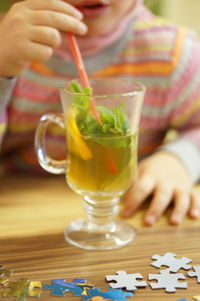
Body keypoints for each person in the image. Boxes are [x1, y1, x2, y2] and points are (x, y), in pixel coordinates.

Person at [0, 0, 200, 226]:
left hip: (133, 213)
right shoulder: (5, 42)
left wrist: (178, 160)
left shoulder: (174, 53)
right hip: (22, 215)